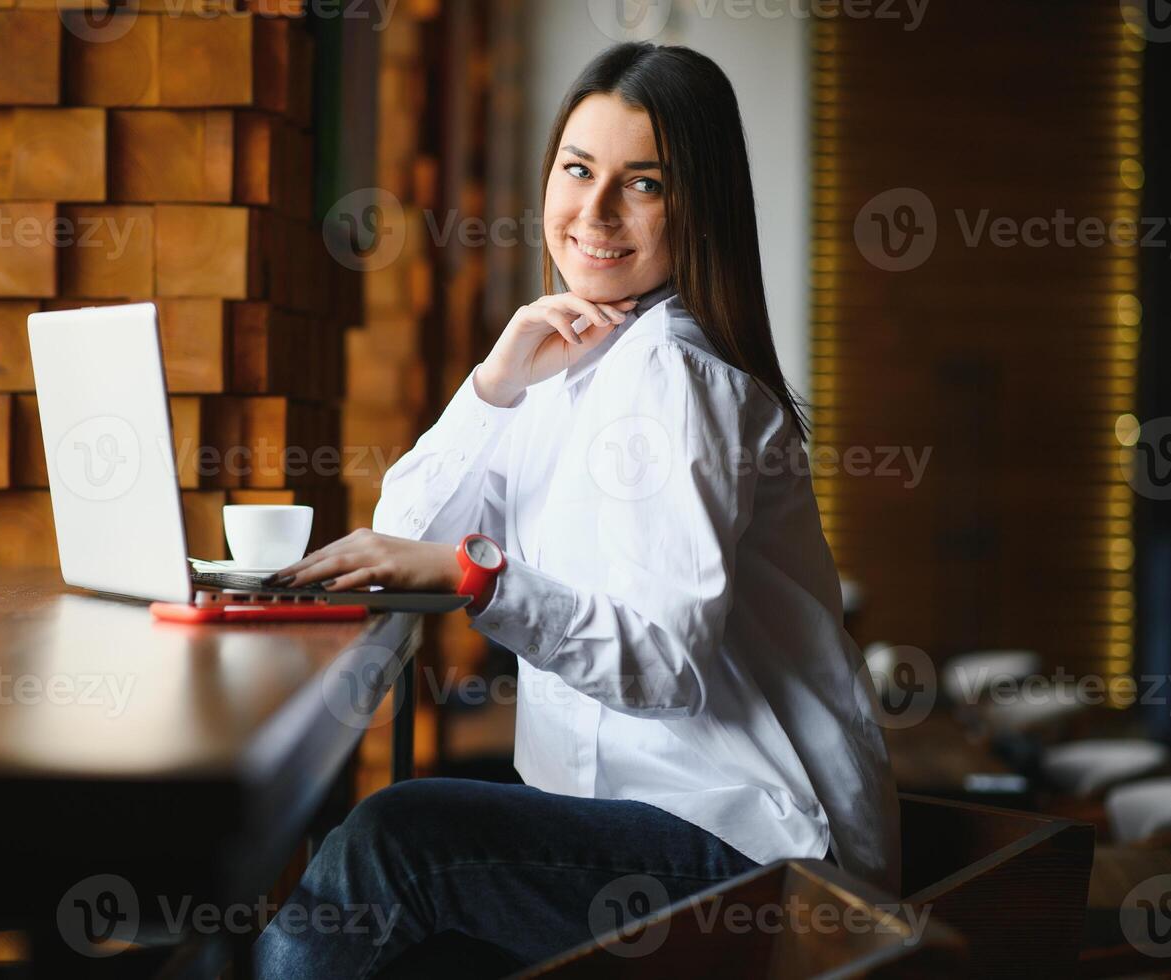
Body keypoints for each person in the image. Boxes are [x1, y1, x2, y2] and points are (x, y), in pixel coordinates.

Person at [255, 41, 899, 977]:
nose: (593, 212)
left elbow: (666, 665)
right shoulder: (571, 360)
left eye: (640, 183)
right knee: (400, 910)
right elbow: (402, 536)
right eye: (576, 169)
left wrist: (474, 577)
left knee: (398, 842)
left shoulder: (679, 376)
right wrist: (493, 385)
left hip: (755, 857)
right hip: (626, 827)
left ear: (700, 207)